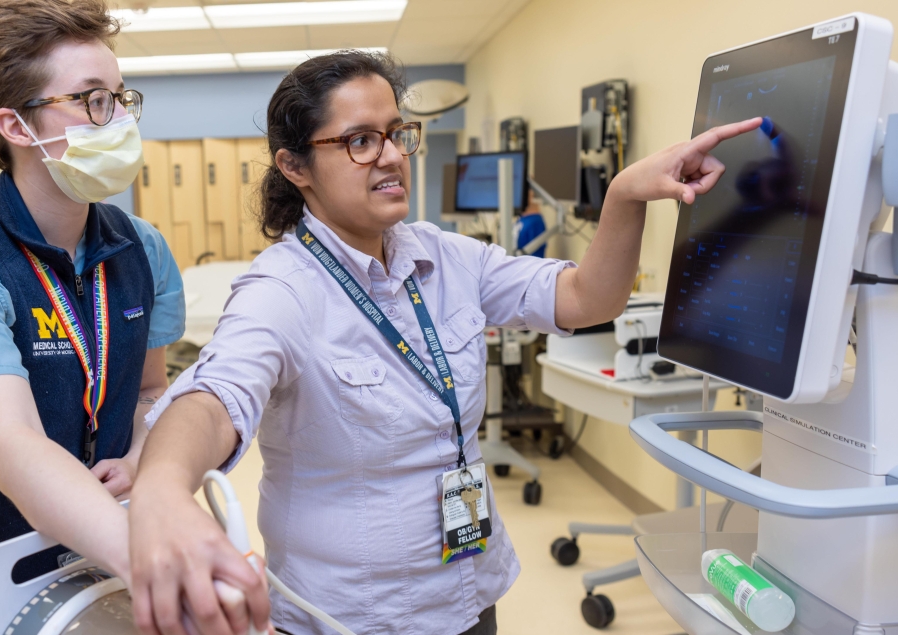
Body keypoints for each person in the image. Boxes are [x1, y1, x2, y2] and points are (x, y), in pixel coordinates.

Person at [127, 51, 759, 635]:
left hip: (468, 587)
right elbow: (214, 395)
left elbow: (586, 299)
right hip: (353, 614)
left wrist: (624, 194)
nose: (391, 156)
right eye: (359, 141)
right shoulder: (281, 291)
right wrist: (161, 488)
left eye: (397, 134)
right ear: (295, 168)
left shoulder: (445, 257)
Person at [0, 1, 185, 633]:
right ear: (17, 126)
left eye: (119, 98)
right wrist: (155, 559)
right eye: (89, 100)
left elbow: (150, 391)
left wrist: (140, 454)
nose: (115, 119)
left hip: (94, 568)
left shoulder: (143, 249)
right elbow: (16, 446)